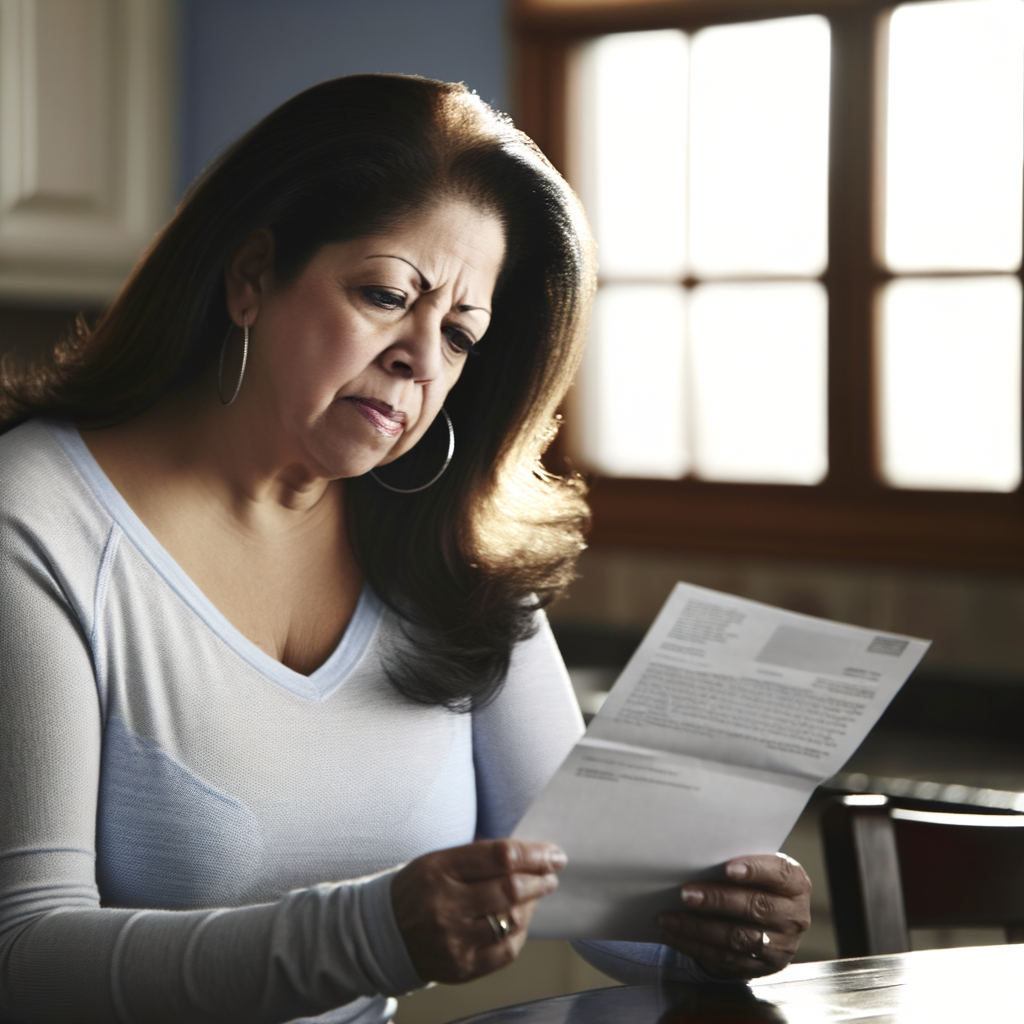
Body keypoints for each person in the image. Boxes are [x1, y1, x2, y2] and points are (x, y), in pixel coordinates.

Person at [0, 75, 810, 1024]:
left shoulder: (445, 547)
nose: (421, 360)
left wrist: (715, 918)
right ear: (252, 275)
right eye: (388, 294)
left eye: (460, 336)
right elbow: (23, 957)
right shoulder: (36, 518)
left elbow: (600, 903)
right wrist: (370, 933)